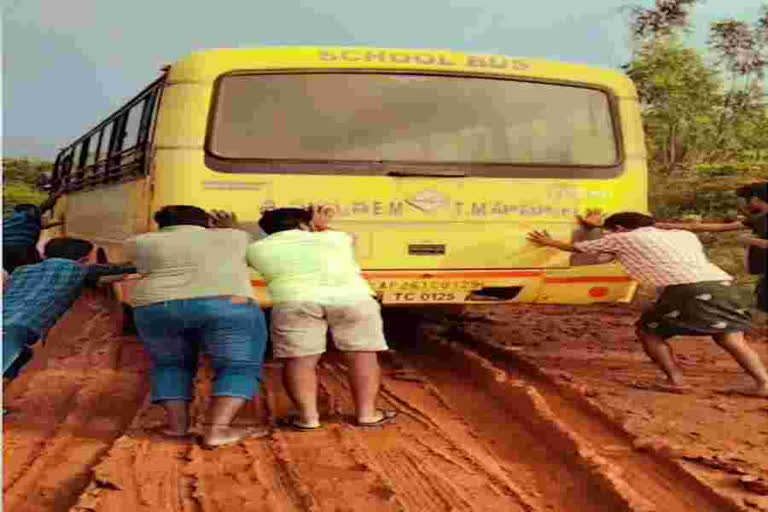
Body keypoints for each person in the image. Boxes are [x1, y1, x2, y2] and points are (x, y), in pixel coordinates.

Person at [528, 212, 768, 397]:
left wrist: (549, 241)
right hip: (723, 284)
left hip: (687, 289)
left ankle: (676, 380)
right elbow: (641, 239)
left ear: (619, 229)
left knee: (649, 330)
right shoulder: (682, 234)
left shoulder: (622, 238)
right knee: (729, 337)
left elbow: (578, 248)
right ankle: (763, 383)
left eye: (610, 231)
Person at [125, 205, 268, 448]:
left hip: (157, 306)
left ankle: (177, 428)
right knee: (238, 366)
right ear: (207, 222)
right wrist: (226, 229)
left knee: (170, 364)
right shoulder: (234, 236)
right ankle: (218, 430)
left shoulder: (139, 242)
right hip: (227, 304)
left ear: (161, 224)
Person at [246, 206, 397, 430]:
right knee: (362, 354)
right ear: (304, 224)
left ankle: (307, 419)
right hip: (352, 298)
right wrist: (321, 227)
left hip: (295, 301)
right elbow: (350, 239)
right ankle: (367, 415)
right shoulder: (335, 238)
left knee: (300, 359)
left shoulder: (256, 249)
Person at [2, 237, 135, 386]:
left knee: (20, 358)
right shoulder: (77, 270)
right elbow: (119, 271)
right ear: (84, 259)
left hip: (9, 322)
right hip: (20, 328)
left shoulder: (21, 270)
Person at [655, 182, 767, 314]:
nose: (743, 205)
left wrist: (749, 240)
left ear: (755, 199)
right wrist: (663, 226)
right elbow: (718, 228)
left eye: (744, 200)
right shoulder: (759, 218)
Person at [3, 191, 65, 273]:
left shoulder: (8, 221)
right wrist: (57, 195)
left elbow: (43, 226)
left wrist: (60, 223)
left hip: (4, 250)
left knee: (12, 271)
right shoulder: (26, 215)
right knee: (33, 269)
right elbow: (45, 206)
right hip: (22, 248)